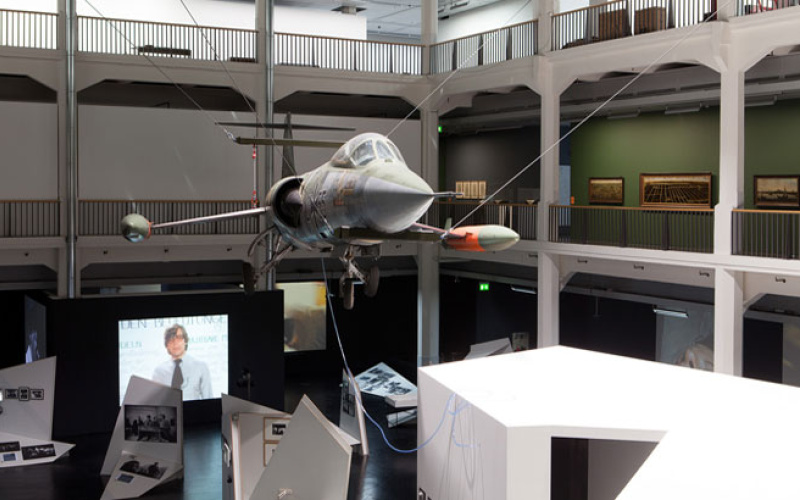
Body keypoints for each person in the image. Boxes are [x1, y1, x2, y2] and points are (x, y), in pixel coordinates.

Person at [151, 324, 213, 400]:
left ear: (185, 341)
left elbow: (209, 399)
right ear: (167, 345)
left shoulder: (201, 367)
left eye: (179, 338)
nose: (175, 343)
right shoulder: (159, 371)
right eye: (171, 340)